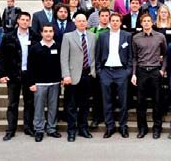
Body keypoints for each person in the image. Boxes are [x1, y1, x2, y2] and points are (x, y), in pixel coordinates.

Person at [0, 12, 41, 141]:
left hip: (29, 75)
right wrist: (2, 74)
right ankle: (11, 129)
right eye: (23, 19)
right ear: (18, 21)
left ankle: (28, 127)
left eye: (27, 20)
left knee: (29, 102)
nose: (25, 22)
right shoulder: (8, 36)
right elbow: (2, 57)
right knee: (12, 103)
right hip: (13, 75)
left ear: (30, 22)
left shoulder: (35, 36)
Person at [95, 13, 133, 139]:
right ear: (110, 22)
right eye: (113, 20)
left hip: (121, 72)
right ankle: (109, 126)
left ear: (121, 22)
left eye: (117, 20)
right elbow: (98, 54)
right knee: (107, 101)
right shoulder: (102, 36)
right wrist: (99, 70)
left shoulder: (127, 36)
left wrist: (128, 71)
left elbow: (130, 55)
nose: (115, 23)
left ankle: (123, 126)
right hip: (106, 71)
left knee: (123, 101)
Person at [131, 14, 167, 139]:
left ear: (152, 22)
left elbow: (165, 54)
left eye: (148, 21)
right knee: (141, 103)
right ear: (141, 23)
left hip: (155, 71)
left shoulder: (160, 37)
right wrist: (134, 73)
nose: (146, 23)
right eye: (144, 21)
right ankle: (142, 128)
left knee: (157, 102)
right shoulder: (136, 38)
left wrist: (162, 70)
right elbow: (134, 58)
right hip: (141, 72)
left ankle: (157, 128)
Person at [60, 14, 96, 142]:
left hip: (87, 74)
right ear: (75, 23)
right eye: (79, 21)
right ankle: (71, 130)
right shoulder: (68, 36)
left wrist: (93, 71)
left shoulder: (92, 36)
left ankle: (83, 128)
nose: (81, 23)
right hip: (73, 75)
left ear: (87, 22)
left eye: (83, 21)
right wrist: (66, 75)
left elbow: (94, 55)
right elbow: (64, 57)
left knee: (85, 105)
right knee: (71, 105)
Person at [28, 24, 62, 142]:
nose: (48, 33)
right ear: (41, 33)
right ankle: (39, 130)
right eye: (45, 31)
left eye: (50, 31)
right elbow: (30, 67)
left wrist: (61, 78)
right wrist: (31, 83)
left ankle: (51, 129)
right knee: (39, 108)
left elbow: (60, 64)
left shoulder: (58, 46)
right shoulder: (35, 48)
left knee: (53, 107)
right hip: (39, 83)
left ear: (53, 33)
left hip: (55, 83)